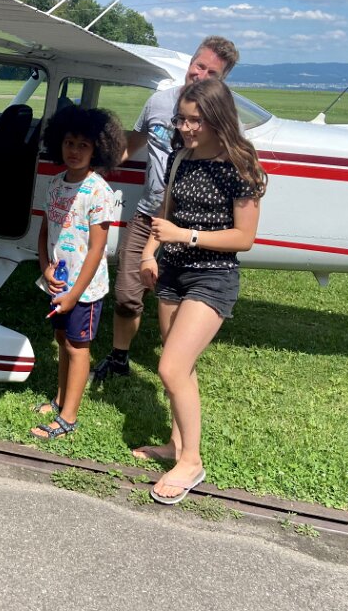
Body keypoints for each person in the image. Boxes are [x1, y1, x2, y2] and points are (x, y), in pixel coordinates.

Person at [134, 78, 266, 504]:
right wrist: (149, 254)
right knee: (182, 367)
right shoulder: (180, 157)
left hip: (213, 277)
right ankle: (176, 445)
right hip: (172, 271)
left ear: (218, 118)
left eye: (196, 121)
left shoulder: (240, 167)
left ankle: (191, 461)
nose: (187, 128)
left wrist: (186, 236)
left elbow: (244, 237)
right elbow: (165, 212)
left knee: (170, 368)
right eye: (182, 120)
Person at [92, 36, 239, 384]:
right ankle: (119, 357)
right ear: (191, 61)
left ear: (222, 80)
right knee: (127, 294)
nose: (200, 75)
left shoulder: (222, 117)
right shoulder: (158, 102)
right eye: (199, 65)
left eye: (212, 73)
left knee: (180, 299)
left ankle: (179, 368)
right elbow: (133, 143)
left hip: (190, 225)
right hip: (149, 214)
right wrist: (95, 169)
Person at [31, 106, 125, 440]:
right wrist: (45, 268)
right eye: (69, 143)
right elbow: (45, 232)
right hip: (58, 284)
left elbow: (97, 249)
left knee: (77, 346)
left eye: (83, 145)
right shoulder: (55, 184)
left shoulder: (99, 191)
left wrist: (75, 294)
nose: (74, 151)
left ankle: (69, 417)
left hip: (84, 290)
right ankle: (60, 399)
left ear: (97, 148)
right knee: (61, 340)